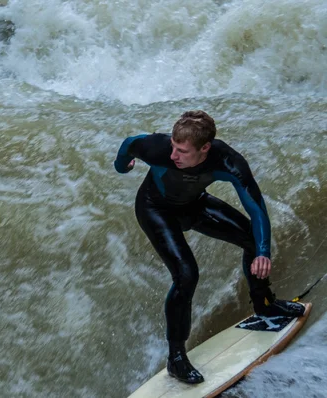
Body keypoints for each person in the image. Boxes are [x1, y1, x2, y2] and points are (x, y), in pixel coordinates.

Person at [114, 110, 306, 384]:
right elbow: (130, 142)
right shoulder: (158, 148)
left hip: (195, 204)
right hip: (155, 209)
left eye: (182, 151)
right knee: (186, 274)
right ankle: (176, 358)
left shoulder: (228, 161)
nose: (173, 156)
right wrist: (122, 165)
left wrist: (263, 252)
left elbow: (256, 207)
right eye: (173, 147)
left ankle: (265, 306)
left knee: (250, 238)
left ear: (204, 148)